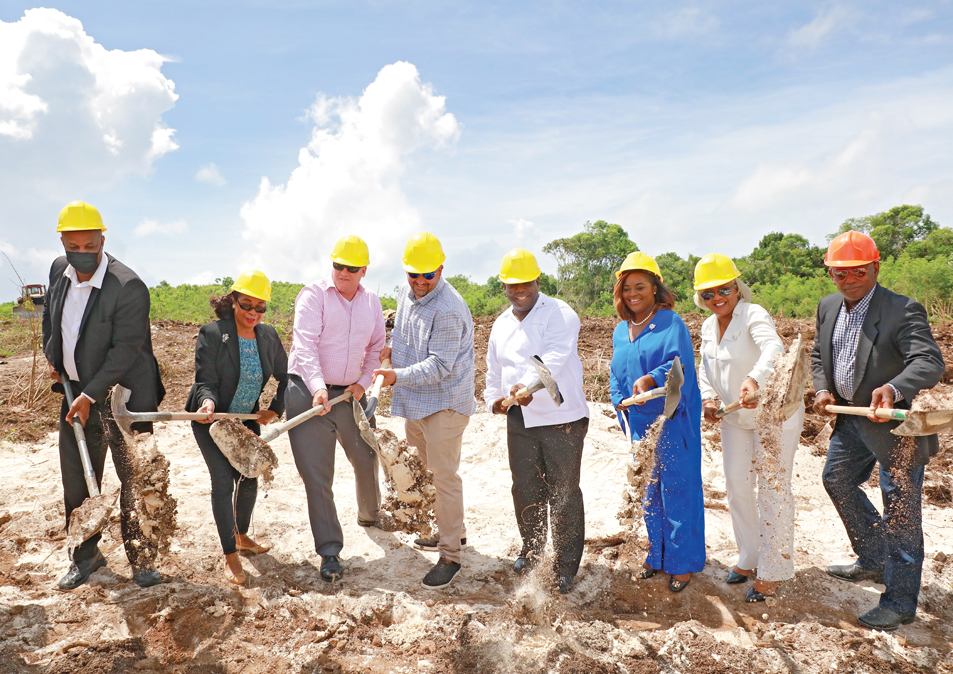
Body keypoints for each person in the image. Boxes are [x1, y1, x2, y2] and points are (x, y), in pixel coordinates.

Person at [811, 231, 944, 631]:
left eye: (857, 272)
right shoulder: (829, 306)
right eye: (839, 274)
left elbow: (929, 362)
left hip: (894, 425)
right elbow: (819, 353)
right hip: (850, 418)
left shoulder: (902, 309)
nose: (848, 281)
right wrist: (821, 388)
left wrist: (893, 388)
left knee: (901, 510)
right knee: (836, 479)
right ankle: (873, 558)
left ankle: (900, 601)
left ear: (875, 267)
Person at [41, 201, 165, 590]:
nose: (82, 254)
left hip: (127, 397)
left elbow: (125, 350)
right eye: (73, 246)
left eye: (90, 246)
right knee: (77, 476)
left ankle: (142, 559)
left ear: (102, 240)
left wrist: (91, 394)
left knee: (136, 478)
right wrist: (54, 359)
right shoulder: (59, 271)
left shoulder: (128, 286)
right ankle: (85, 555)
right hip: (76, 392)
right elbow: (52, 318)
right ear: (62, 242)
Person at [694, 253, 804, 602]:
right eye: (708, 294)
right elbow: (704, 368)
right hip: (735, 417)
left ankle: (774, 570)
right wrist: (709, 398)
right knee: (737, 486)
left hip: (773, 415)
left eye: (723, 289)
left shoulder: (754, 314)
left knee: (773, 488)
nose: (717, 298)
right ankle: (750, 556)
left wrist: (755, 379)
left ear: (737, 286)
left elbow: (774, 347)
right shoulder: (708, 327)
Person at [373, 232, 476, 589]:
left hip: (445, 402)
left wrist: (394, 376)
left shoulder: (448, 309)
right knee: (426, 470)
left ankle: (450, 556)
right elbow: (402, 333)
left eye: (427, 275)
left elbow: (438, 367)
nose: (420, 282)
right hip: (415, 400)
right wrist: (389, 353)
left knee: (445, 477)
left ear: (441, 270)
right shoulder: (405, 293)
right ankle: (455, 532)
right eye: (413, 275)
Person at [484, 248, 590, 594]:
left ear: (537, 281)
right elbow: (493, 371)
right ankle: (532, 550)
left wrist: (529, 386)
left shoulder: (559, 313)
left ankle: (564, 565)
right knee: (526, 488)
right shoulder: (500, 324)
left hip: (562, 418)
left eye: (525, 284)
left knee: (564, 491)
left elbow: (555, 359)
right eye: (512, 285)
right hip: (519, 418)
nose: (519, 290)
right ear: (504, 287)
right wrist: (495, 402)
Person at [286, 235, 387, 582]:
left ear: (363, 270)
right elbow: (305, 347)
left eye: (351, 268)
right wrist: (317, 389)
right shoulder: (313, 296)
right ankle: (329, 551)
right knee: (318, 476)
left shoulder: (372, 301)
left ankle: (370, 515)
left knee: (366, 457)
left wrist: (361, 381)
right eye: (338, 265)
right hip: (309, 393)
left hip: (350, 396)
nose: (343, 272)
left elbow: (376, 347)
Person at [185, 270, 288, 585]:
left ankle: (241, 536)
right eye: (246, 305)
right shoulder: (214, 334)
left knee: (249, 476)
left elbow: (287, 376)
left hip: (245, 420)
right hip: (211, 420)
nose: (253, 313)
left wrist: (275, 408)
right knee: (223, 482)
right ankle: (230, 555)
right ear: (232, 302)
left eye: (260, 307)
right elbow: (206, 381)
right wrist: (208, 404)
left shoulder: (268, 336)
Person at [610, 252, 705, 593]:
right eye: (627, 288)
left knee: (679, 489)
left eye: (641, 287)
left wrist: (650, 379)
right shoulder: (622, 330)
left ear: (655, 289)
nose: (633, 294)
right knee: (649, 491)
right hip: (637, 423)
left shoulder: (670, 322)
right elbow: (616, 372)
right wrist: (617, 397)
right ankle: (657, 553)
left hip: (671, 417)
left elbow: (678, 366)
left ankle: (683, 564)